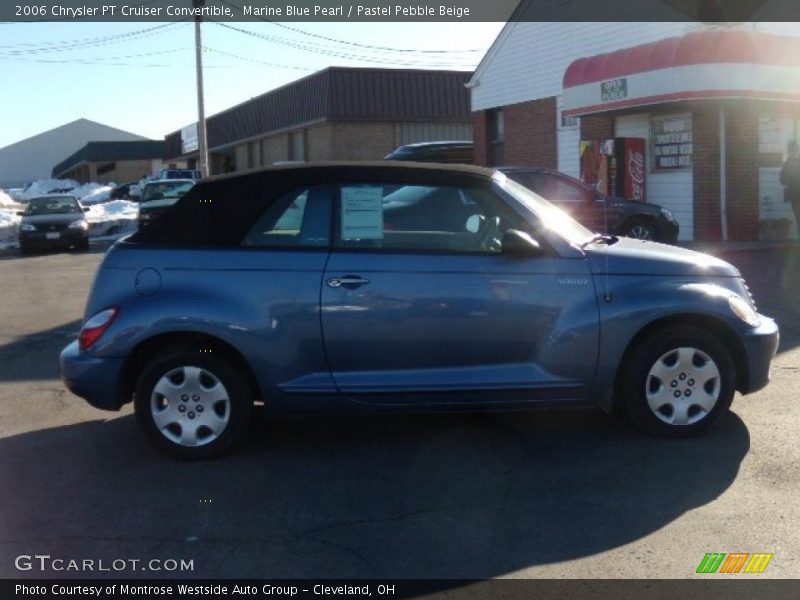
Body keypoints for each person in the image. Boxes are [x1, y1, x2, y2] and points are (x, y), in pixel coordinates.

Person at [780, 140, 800, 233]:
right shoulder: (786, 164)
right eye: (792, 150)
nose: (794, 152)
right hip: (794, 195)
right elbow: (781, 179)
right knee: (798, 216)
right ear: (789, 151)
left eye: (796, 150)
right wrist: (787, 181)